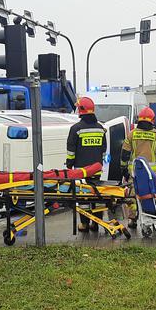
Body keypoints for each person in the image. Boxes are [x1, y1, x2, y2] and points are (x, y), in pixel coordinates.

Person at [120, 107, 156, 228]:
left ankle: (132, 219)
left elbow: (124, 153)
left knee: (132, 196)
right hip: (153, 174)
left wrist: (124, 169)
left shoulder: (132, 134)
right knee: (152, 195)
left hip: (135, 174)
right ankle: (152, 217)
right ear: (152, 120)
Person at [66, 97, 107, 232]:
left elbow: (71, 151)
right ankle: (95, 224)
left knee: (84, 198)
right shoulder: (101, 129)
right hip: (96, 170)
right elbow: (103, 149)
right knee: (97, 195)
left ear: (81, 110)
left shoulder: (76, 129)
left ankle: (84, 224)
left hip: (81, 172)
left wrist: (69, 165)